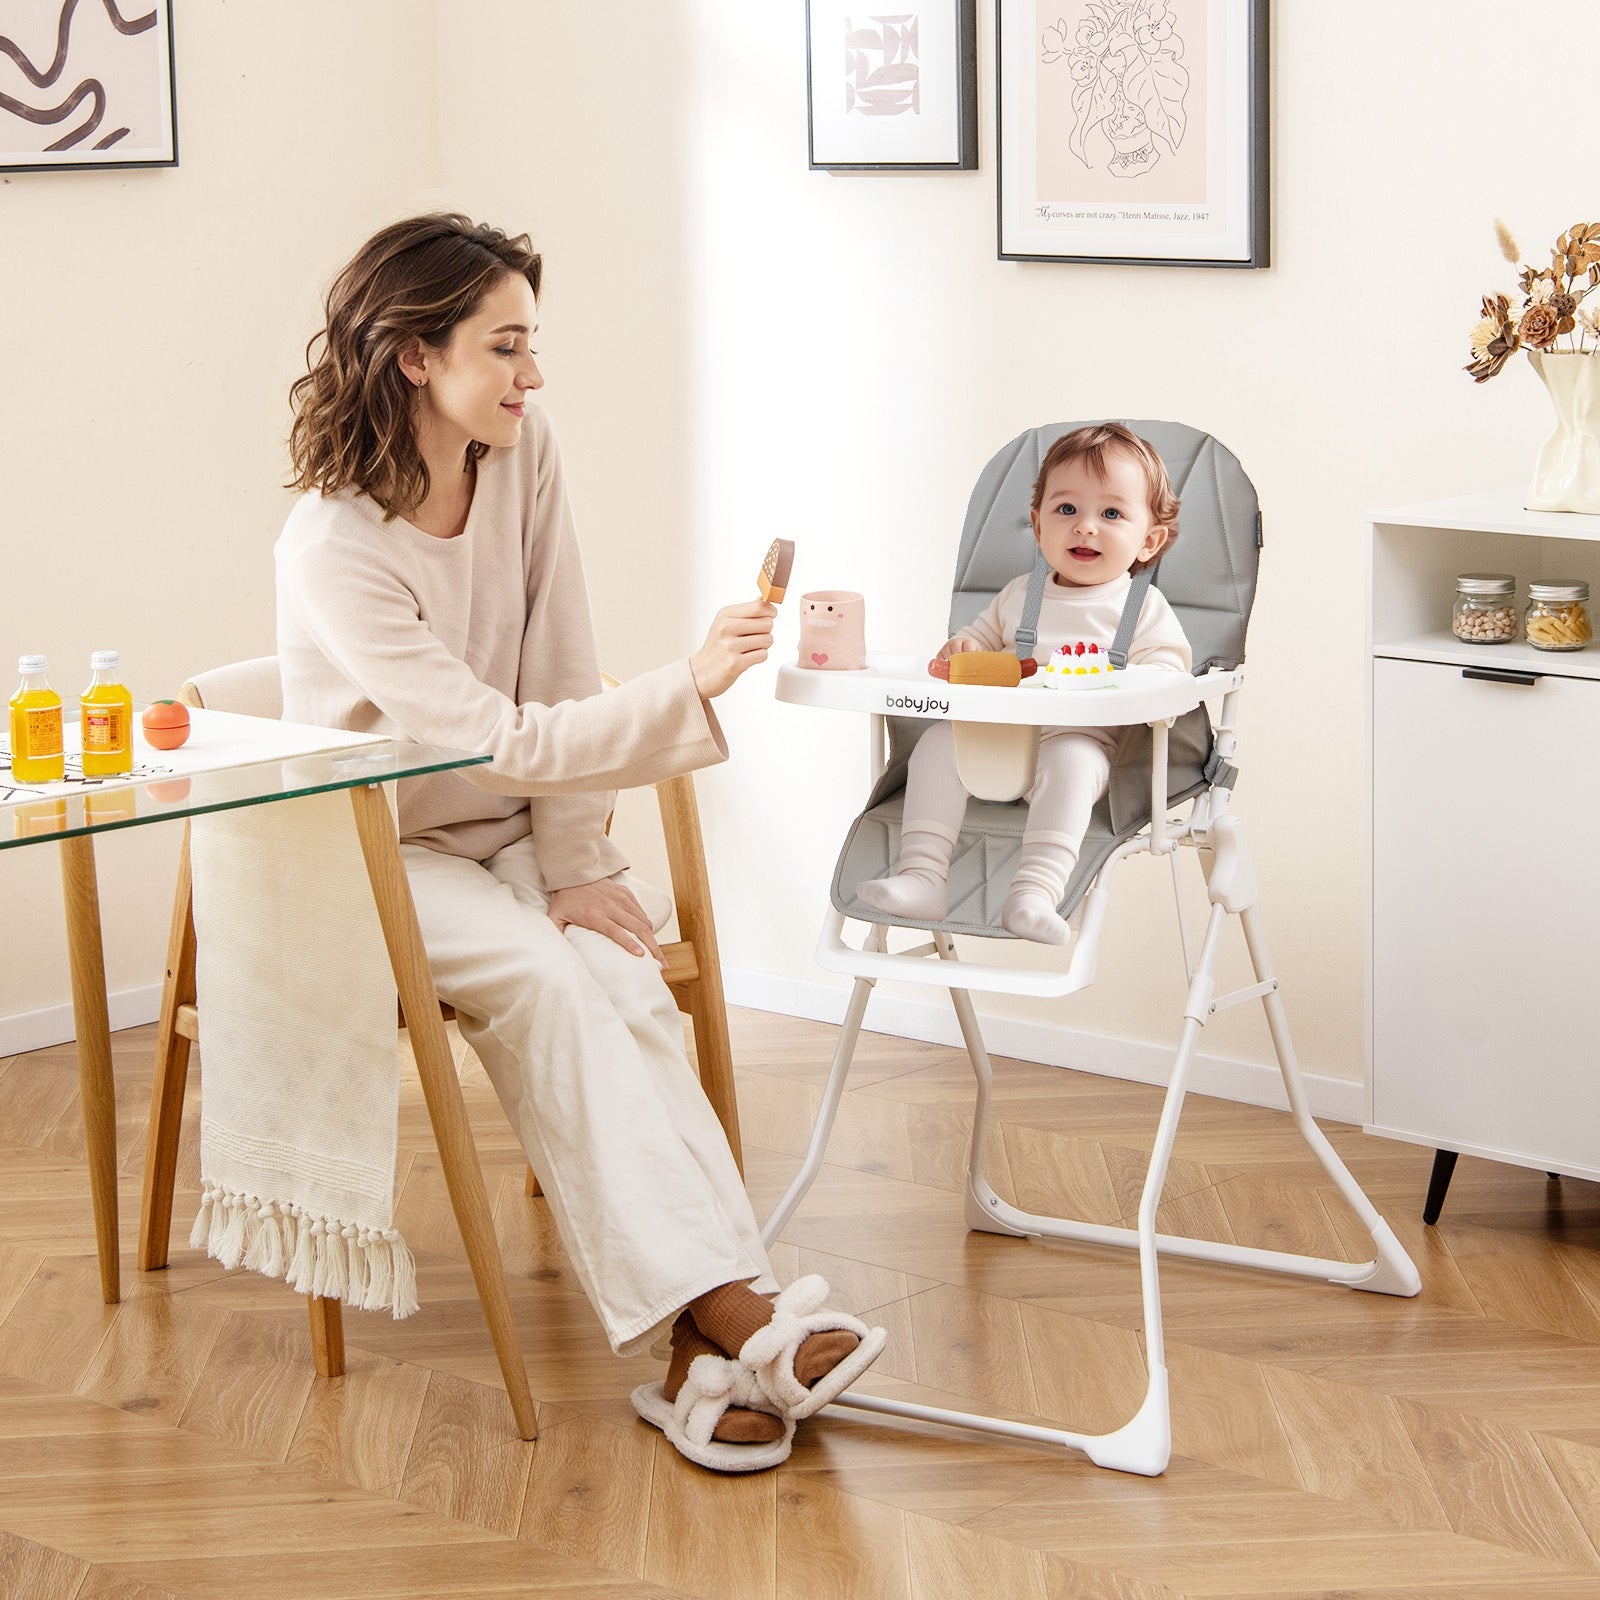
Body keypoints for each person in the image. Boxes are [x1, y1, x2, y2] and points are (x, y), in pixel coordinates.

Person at [276, 213, 883, 1472]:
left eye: (530, 345)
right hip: (383, 855)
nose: (531, 376)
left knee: (619, 980)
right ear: (411, 355)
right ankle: (739, 1318)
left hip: (513, 829)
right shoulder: (333, 547)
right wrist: (691, 684)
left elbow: (556, 657)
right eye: (505, 347)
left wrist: (573, 862)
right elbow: (490, 733)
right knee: (555, 986)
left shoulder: (522, 447)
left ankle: (704, 1360)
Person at [859, 423, 1191, 944]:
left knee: (1074, 760)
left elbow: (1171, 679)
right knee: (938, 743)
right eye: (1066, 510)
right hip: (997, 742)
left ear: (1149, 540)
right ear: (1037, 526)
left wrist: (1125, 681)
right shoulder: (1018, 596)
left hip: (1083, 747)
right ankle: (922, 876)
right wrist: (963, 649)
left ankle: (1034, 894)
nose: (1085, 527)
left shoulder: (1142, 607)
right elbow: (974, 640)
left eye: (1110, 514)